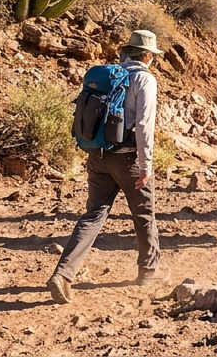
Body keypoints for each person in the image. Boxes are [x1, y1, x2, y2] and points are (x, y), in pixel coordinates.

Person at [48, 30, 164, 304]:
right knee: (144, 213)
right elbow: (145, 125)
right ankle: (148, 271)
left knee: (94, 214)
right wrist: (146, 165)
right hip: (128, 158)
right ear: (147, 56)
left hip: (98, 156)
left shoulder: (110, 77)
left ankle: (63, 274)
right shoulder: (144, 79)